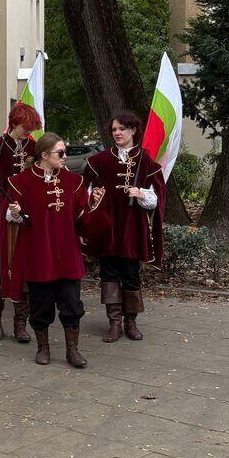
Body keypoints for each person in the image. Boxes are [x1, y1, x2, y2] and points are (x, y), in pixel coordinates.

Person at [6, 133, 110, 367]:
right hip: (39, 254)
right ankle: (43, 348)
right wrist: (15, 214)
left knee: (72, 304)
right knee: (41, 305)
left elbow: (82, 219)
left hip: (68, 254)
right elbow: (13, 217)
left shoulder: (74, 181)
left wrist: (94, 205)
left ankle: (72, 350)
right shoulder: (21, 181)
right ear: (44, 155)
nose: (65, 156)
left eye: (65, 152)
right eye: (60, 153)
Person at [82, 110, 166, 343]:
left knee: (130, 274)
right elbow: (83, 194)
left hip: (132, 227)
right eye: (114, 130)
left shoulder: (147, 162)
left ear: (133, 130)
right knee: (109, 273)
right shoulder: (98, 161)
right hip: (107, 227)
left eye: (122, 129)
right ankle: (114, 323)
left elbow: (156, 199)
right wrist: (93, 198)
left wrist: (141, 194)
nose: (117, 133)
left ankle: (131, 322)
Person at [0, 103, 40, 342]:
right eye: (26, 126)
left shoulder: (34, 147)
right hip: (0, 215)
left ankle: (21, 323)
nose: (29, 131)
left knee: (25, 266)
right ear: (14, 123)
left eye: (32, 127)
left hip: (27, 214)